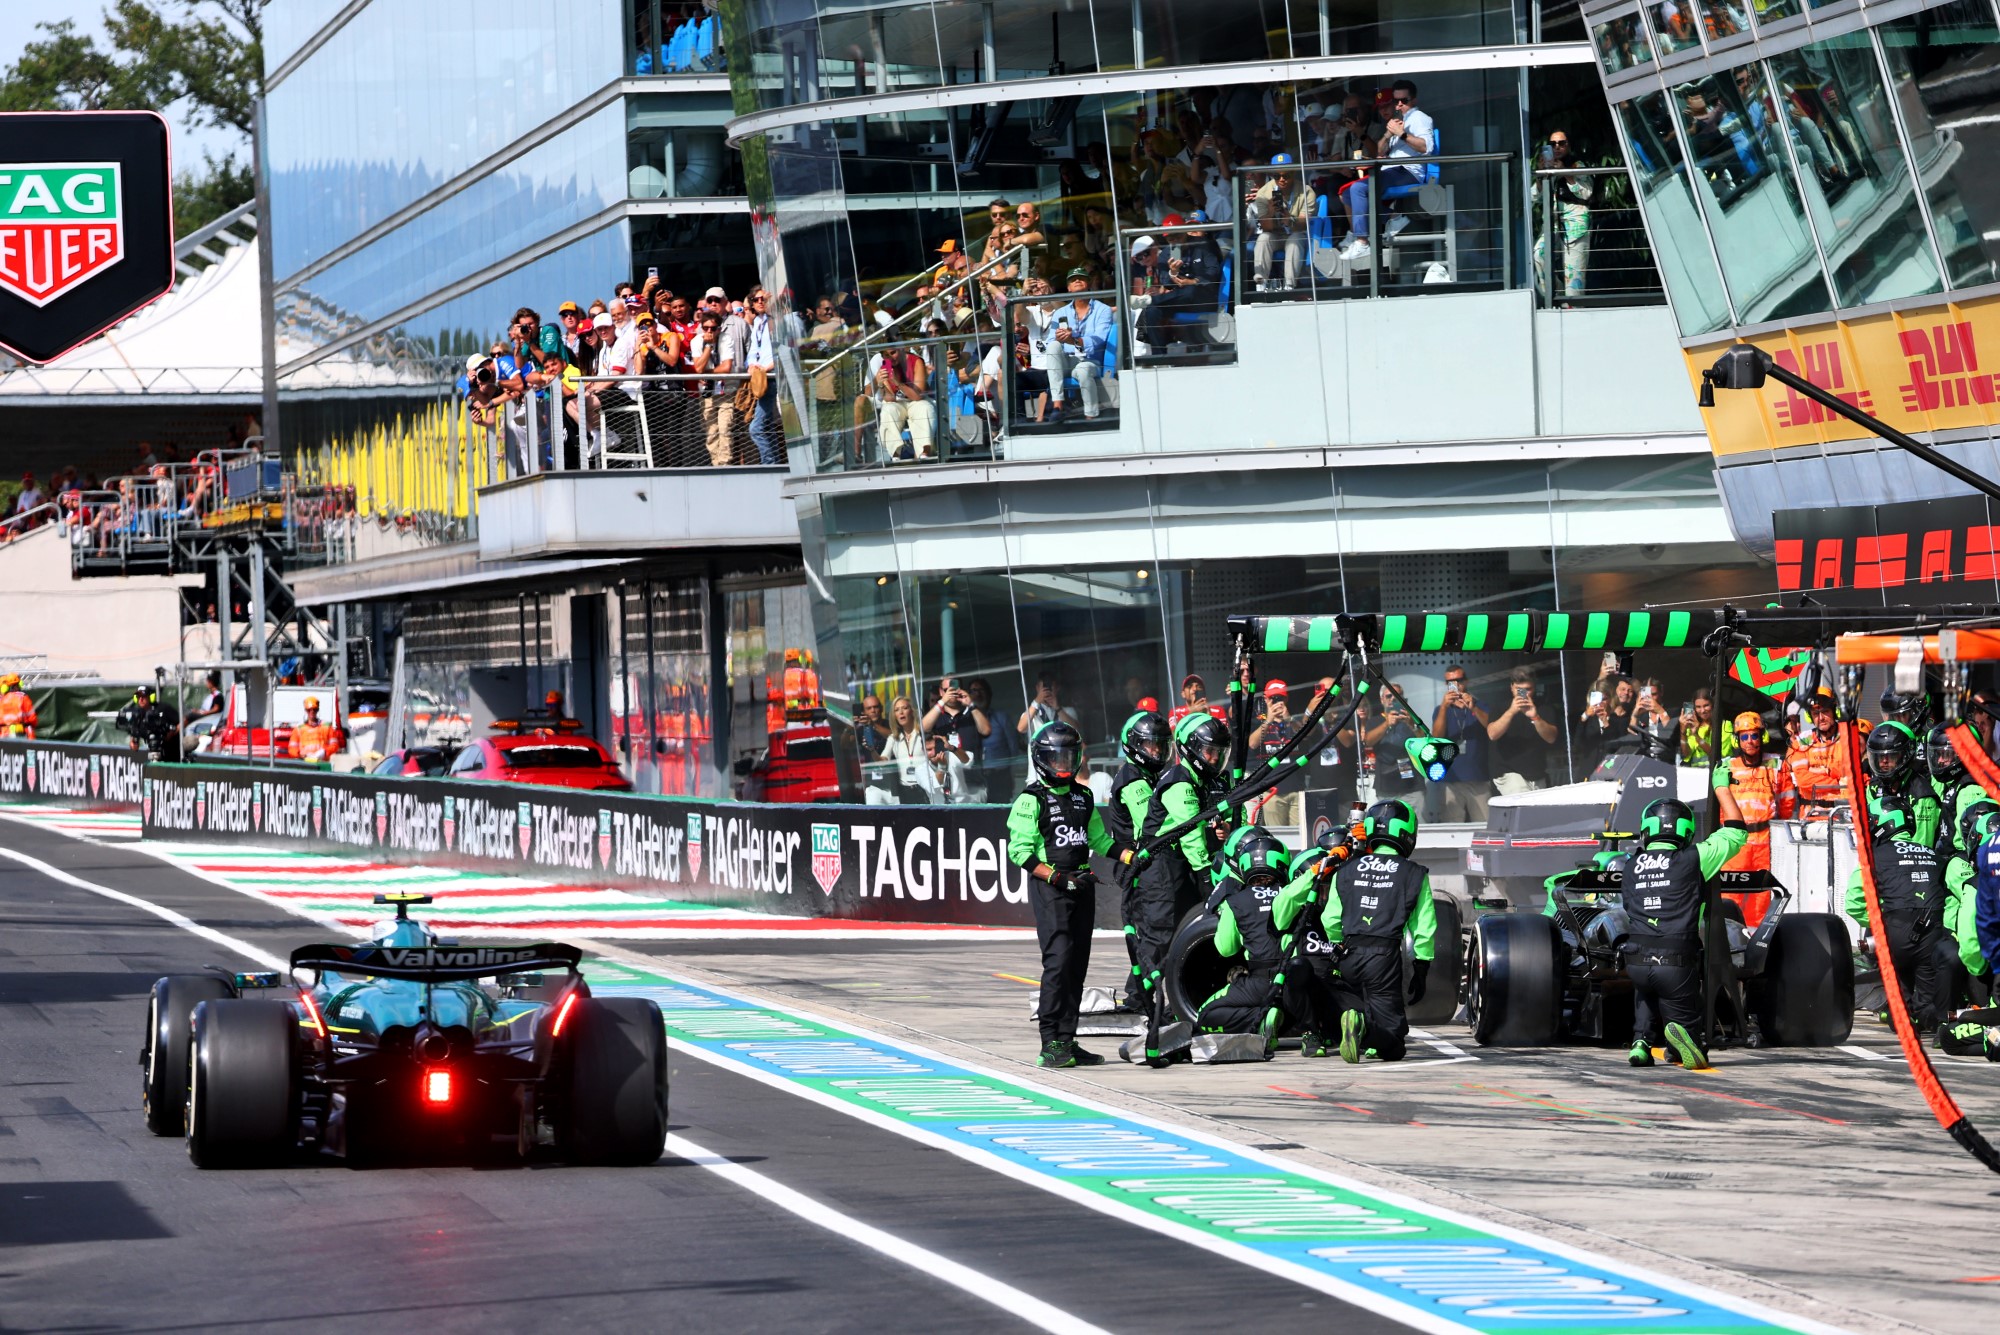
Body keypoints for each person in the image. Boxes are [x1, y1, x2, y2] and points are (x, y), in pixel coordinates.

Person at [1007, 720, 1140, 1068]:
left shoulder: (1083, 796)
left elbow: (1098, 840)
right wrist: (1057, 878)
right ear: (1042, 760)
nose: (1064, 765)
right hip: (1051, 890)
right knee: (1059, 963)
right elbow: (1019, 853)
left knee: (1078, 965)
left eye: (1070, 758)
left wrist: (1130, 855)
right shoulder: (1029, 800)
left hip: (1082, 887)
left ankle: (1067, 1039)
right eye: (1057, 759)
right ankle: (1050, 1042)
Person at [1623, 793, 1747, 1070]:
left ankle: (1641, 1042)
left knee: (1648, 989)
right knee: (1683, 1015)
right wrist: (1722, 790)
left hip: (1636, 960)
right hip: (1675, 960)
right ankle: (1684, 1041)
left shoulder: (1631, 866)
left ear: (1647, 829)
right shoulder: (1694, 858)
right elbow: (1737, 833)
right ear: (1686, 831)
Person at [1131, 712, 1234, 1041]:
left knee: (1185, 934)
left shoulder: (1214, 780)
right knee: (1161, 936)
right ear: (1191, 749)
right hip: (1162, 866)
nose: (1215, 759)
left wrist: (1227, 832)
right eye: (1209, 752)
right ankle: (1149, 1008)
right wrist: (1208, 875)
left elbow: (1234, 816)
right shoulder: (1180, 781)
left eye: (1219, 752)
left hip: (1186, 866)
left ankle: (1181, 998)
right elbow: (1189, 834)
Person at [1317, 797, 1437, 1063]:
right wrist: (1422, 966)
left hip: (1349, 955)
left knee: (1368, 1004)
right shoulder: (1414, 873)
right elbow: (1424, 926)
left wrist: (1339, 944)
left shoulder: (1346, 869)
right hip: (1382, 959)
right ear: (1407, 832)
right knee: (1394, 1043)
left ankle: (1360, 1025)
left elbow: (1330, 918)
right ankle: (1363, 1029)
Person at [1846, 788, 1948, 1036]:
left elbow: (1854, 902)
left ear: (1883, 823)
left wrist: (1881, 923)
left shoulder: (1874, 857)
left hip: (1895, 933)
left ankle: (1899, 1013)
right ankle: (1931, 1019)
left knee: (1898, 998)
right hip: (1933, 933)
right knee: (1926, 1002)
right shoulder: (1936, 855)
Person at [1195, 827, 1294, 1045]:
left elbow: (1225, 949)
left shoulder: (1236, 899)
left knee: (1204, 1016)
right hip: (1297, 979)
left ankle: (1260, 1018)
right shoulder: (1294, 894)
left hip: (1258, 980)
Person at [1104, 710, 1172, 1012]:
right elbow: (1151, 823)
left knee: (1159, 933)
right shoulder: (1133, 781)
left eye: (1159, 745)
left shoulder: (1150, 776)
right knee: (1155, 933)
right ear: (1134, 745)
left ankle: (1141, 994)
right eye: (1149, 745)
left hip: (1151, 866)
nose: (1156, 751)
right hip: (1140, 868)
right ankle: (1139, 998)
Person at [1338, 80, 1435, 262]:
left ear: (1413, 99)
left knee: (1358, 189)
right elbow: (1379, 151)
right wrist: (1388, 135)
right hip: (1392, 169)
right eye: (1396, 101)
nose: (1399, 104)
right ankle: (1394, 217)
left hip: (1407, 171)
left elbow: (1426, 147)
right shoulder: (1397, 121)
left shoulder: (1419, 117)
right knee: (1348, 194)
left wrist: (1402, 134)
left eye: (1403, 100)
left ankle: (1362, 241)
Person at [1714, 711, 1794, 924]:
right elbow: (1719, 806)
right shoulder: (1726, 766)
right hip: (1735, 842)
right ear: (1737, 740)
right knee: (1730, 895)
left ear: (1762, 737)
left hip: (1765, 842)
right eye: (1744, 736)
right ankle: (1730, 937)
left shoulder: (1777, 765)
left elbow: (1787, 803)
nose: (1750, 741)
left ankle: (1757, 940)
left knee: (1762, 897)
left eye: (1754, 735)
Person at [1533, 130, 1595, 301]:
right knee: (1539, 254)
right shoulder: (1547, 168)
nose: (1557, 147)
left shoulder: (1577, 165)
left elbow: (1586, 193)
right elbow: (1534, 196)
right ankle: (1555, 294)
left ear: (1569, 145)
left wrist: (1566, 172)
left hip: (1575, 225)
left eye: (1562, 143)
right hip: (1553, 225)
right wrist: (1540, 174)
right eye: (1553, 144)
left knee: (1574, 282)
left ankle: (1572, 307)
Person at [1049, 270, 1119, 420]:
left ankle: (1090, 417)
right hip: (1067, 360)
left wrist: (1073, 340)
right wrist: (1060, 338)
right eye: (1073, 279)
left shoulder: (1103, 309)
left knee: (1083, 369)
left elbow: (1099, 338)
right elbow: (1049, 341)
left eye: (1081, 278)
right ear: (1068, 288)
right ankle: (1057, 405)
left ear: (1088, 284)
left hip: (1091, 360)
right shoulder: (1059, 312)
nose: (1077, 281)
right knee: (1053, 346)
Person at [1868, 720, 1943, 847]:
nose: (1884, 762)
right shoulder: (1873, 787)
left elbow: (1922, 846)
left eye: (1891, 756)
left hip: (1912, 858)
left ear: (1905, 755)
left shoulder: (1922, 796)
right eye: (1880, 757)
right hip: (1880, 853)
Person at [1431, 665, 1491, 822]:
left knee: (1483, 824)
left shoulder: (1480, 705)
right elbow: (1436, 737)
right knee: (1452, 827)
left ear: (1466, 681)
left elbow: (1491, 728)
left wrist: (1474, 708)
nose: (1455, 684)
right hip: (1451, 777)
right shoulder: (1440, 710)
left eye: (1458, 680)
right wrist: (1444, 706)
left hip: (1478, 777)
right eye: (1450, 681)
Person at [1247, 680, 1308, 828]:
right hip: (1272, 793)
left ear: (1286, 699)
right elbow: (1252, 743)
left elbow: (1306, 736)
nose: (1277, 702)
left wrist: (1289, 720)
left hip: (1296, 791)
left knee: (1301, 838)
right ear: (1266, 700)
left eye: (1280, 698)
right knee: (1278, 838)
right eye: (1273, 698)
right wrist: (1268, 721)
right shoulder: (1259, 722)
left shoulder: (1294, 720)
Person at [1786, 685, 1857, 811]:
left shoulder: (1849, 737)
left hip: (1843, 813)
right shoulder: (1801, 742)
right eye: (1816, 713)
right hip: (1811, 817)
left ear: (1835, 711)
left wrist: (1817, 771)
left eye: (1825, 711)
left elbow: (1851, 775)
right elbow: (1803, 780)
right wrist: (1835, 781)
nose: (1821, 718)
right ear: (1810, 717)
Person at [1248, 157, 1313, 293]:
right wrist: (1271, 212)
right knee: (1263, 238)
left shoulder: (1306, 191)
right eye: (1277, 176)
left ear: (1293, 173)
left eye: (1286, 175)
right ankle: (1261, 283)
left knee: (1295, 240)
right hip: (1275, 234)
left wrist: (1290, 220)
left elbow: (1304, 224)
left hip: (1296, 232)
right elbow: (1266, 228)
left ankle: (1289, 286)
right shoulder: (1263, 193)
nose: (1281, 179)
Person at [1487, 667, 1556, 792]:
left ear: (1534, 687)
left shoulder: (1544, 708)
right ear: (1512, 687)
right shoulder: (1500, 707)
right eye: (1520, 690)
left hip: (1537, 773)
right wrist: (1511, 711)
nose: (1524, 693)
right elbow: (1492, 734)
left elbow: (1551, 738)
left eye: (1528, 689)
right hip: (1509, 773)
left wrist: (1535, 717)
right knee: (1523, 805)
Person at [867, 342, 935, 463]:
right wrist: (881, 384)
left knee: (924, 408)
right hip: (899, 402)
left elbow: (917, 396)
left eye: (893, 352)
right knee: (888, 410)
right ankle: (895, 453)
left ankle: (924, 451)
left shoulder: (916, 361)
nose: (891, 357)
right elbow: (889, 398)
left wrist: (897, 383)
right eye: (886, 355)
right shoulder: (886, 366)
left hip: (916, 400)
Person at [743, 288, 785, 465]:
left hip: (772, 376)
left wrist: (767, 368)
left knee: (756, 428)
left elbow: (782, 349)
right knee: (766, 426)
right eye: (757, 299)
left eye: (764, 299)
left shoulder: (775, 321)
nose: (760, 302)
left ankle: (769, 463)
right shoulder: (758, 322)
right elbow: (754, 350)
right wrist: (751, 365)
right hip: (762, 378)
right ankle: (773, 461)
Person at [923, 675, 989, 762]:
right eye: (946, 690)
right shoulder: (936, 714)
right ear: (941, 692)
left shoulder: (972, 711)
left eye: (954, 689)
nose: (951, 693)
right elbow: (923, 727)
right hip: (946, 771)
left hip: (971, 770)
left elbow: (986, 731)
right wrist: (942, 701)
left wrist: (971, 705)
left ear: (961, 689)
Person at [1015, 671, 1079, 738]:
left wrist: (1058, 709)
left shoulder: (1067, 711)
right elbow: (1021, 729)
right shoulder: (1032, 713)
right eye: (1044, 687)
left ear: (1057, 688)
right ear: (1037, 688)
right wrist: (1037, 701)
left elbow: (1075, 730)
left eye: (1050, 687)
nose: (1047, 691)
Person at [1678, 688, 1730, 766]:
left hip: (1717, 772)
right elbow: (1686, 754)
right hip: (1695, 773)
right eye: (1698, 707)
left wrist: (1696, 735)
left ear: (1713, 704)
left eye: (1706, 705)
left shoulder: (1725, 725)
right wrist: (1683, 732)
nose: (1702, 710)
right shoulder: (1691, 727)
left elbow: (1716, 755)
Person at [287, 696, 341, 762]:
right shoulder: (299, 728)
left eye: (314, 710)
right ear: (306, 711)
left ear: (317, 710)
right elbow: (292, 748)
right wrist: (299, 753)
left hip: (322, 761)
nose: (312, 712)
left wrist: (324, 752)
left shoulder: (327, 726)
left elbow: (335, 745)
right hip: (304, 761)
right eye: (309, 710)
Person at [854, 693, 889, 761]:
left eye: (875, 707)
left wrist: (873, 724)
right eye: (869, 708)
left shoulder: (890, 724)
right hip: (869, 769)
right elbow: (845, 744)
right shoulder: (860, 729)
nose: (873, 710)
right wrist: (849, 727)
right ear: (863, 712)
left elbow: (894, 736)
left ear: (881, 709)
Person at [0, 673, 35, 738]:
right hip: (21, 732)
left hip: (4, 733)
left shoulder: (3, 700)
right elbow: (32, 718)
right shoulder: (23, 697)